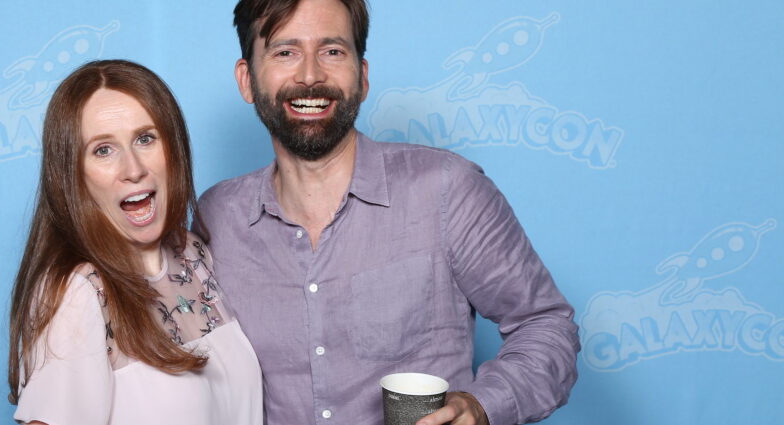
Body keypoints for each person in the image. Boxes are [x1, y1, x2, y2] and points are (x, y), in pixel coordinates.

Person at [194, 1, 580, 425]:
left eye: (332, 51)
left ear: (362, 76)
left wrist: (483, 406)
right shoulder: (218, 218)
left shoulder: (448, 189)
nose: (309, 75)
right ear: (247, 80)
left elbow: (545, 326)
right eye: (285, 52)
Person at [7, 60, 263, 425]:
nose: (133, 169)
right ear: (73, 176)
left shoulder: (193, 254)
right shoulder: (79, 293)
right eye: (103, 150)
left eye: (145, 139)